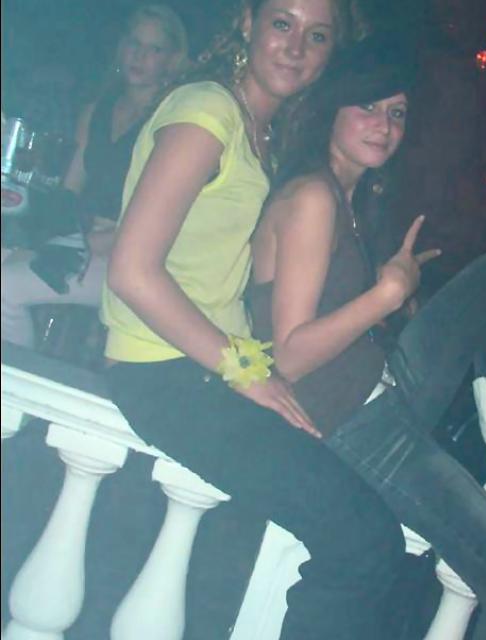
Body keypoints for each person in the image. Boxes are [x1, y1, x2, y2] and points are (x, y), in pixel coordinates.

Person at [250, 33, 486, 639]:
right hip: (352, 425)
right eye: (369, 106)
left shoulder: (347, 199)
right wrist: (385, 295)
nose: (384, 125)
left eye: (397, 113)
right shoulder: (313, 196)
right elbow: (288, 357)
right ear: (333, 106)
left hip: (378, 391)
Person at [101, 3, 406, 639]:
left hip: (202, 370)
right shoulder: (207, 112)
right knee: (365, 542)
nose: (296, 47)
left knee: (359, 534)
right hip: (165, 373)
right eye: (282, 24)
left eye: (317, 35)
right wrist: (244, 368)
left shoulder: (263, 134)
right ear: (247, 22)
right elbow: (131, 270)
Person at [1, 4, 189, 348]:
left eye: (154, 49)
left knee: (5, 287)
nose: (139, 56)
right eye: (134, 43)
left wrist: (85, 243)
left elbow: (161, 223)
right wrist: (50, 233)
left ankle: (19, 379)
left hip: (133, 260)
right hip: (82, 241)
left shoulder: (173, 124)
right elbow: (69, 193)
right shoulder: (98, 109)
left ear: (172, 60)